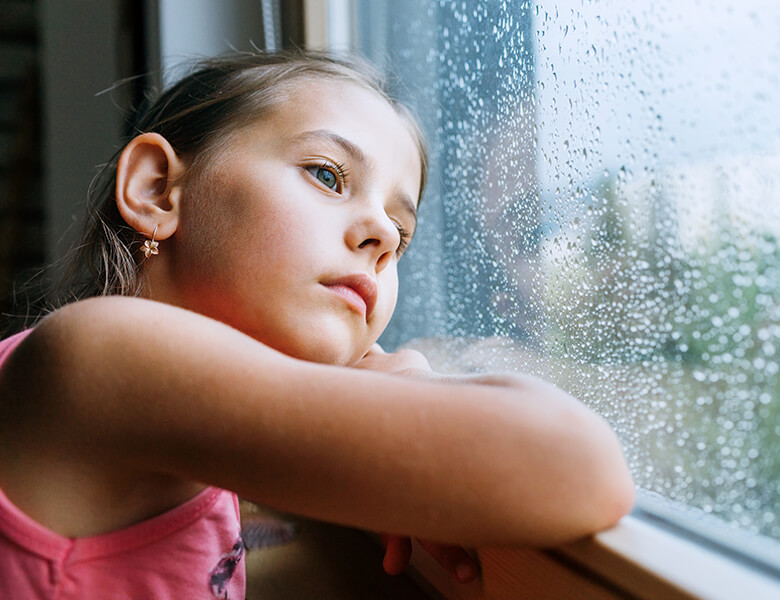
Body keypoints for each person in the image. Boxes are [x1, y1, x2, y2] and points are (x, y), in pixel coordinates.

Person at [0, 51, 634, 599]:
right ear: (158, 190)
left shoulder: (176, 426)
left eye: (403, 234)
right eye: (327, 176)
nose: (384, 235)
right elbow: (580, 466)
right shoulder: (103, 356)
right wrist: (400, 387)